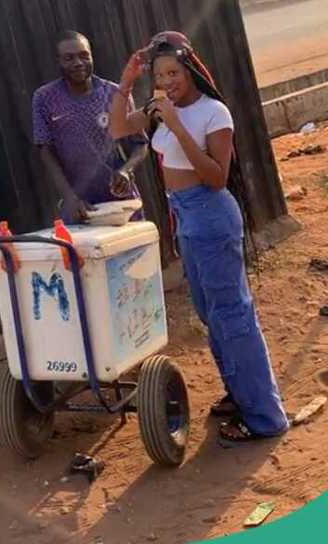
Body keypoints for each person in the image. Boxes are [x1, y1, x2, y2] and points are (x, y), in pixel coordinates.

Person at [109, 31, 288, 445]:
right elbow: (119, 128)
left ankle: (264, 417)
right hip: (184, 216)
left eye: (174, 72)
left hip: (210, 214)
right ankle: (239, 393)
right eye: (160, 74)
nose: (168, 80)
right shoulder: (158, 108)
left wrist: (174, 124)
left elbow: (215, 176)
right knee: (210, 312)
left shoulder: (213, 112)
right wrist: (127, 80)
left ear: (190, 69)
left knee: (232, 315)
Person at [33, 31, 149, 224]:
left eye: (83, 55)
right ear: (58, 62)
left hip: (121, 203)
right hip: (80, 205)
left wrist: (126, 170)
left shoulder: (114, 94)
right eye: (68, 58)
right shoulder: (45, 98)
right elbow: (45, 150)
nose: (78, 62)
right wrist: (69, 197)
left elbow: (140, 144)